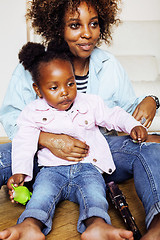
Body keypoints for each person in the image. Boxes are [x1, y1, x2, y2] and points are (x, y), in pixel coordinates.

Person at [0, 0, 160, 239]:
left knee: (149, 150)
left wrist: (152, 100)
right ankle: (31, 222)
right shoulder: (35, 67)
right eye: (75, 25)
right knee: (5, 156)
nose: (87, 33)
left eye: (93, 24)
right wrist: (48, 140)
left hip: (95, 150)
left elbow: (120, 113)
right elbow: (14, 119)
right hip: (40, 153)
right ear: (57, 27)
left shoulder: (108, 65)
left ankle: (157, 223)